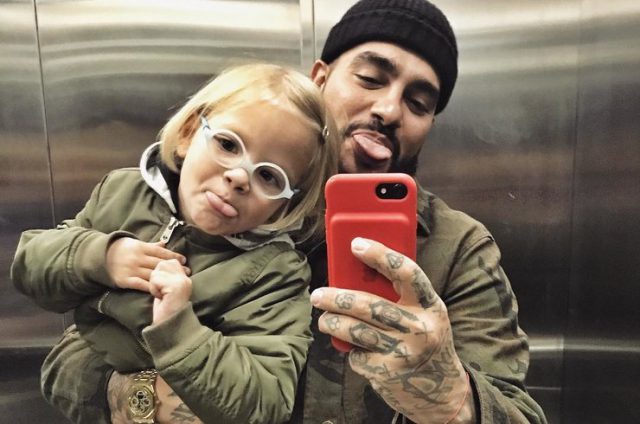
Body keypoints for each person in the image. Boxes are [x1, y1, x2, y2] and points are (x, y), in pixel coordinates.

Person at [22, 1, 549, 423]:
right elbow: (69, 362)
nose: (389, 110)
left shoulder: (457, 250)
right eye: (371, 78)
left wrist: (449, 393)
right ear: (319, 78)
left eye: (419, 103)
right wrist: (149, 401)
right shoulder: (201, 210)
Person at [11, 63, 340, 423]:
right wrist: (100, 256)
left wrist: (177, 328)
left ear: (286, 205)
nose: (238, 177)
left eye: (269, 176)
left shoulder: (276, 273)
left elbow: (265, 403)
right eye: (228, 144)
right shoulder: (123, 193)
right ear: (187, 134)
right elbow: (31, 266)